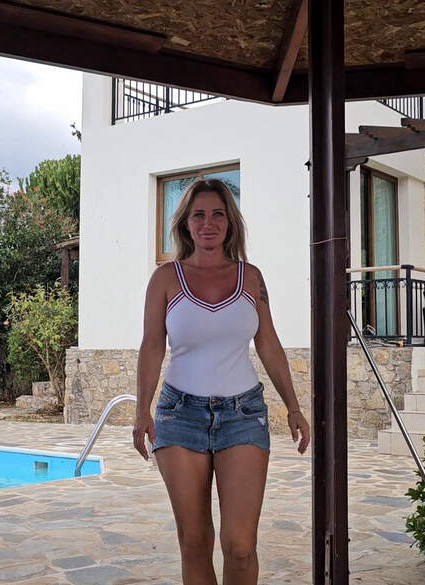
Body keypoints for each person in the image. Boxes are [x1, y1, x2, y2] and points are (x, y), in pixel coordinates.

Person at [132, 178, 311, 585]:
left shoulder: (251, 278)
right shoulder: (165, 278)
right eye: (198, 215)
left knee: (241, 546)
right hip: (179, 415)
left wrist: (294, 407)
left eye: (217, 214)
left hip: (242, 415)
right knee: (195, 542)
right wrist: (142, 410)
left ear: (230, 222)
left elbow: (268, 343)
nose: (208, 223)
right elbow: (151, 346)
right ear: (185, 223)